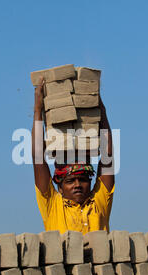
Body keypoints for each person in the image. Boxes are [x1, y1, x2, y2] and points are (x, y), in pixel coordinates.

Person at [32, 79, 115, 234]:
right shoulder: (52, 206)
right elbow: (38, 157)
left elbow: (108, 154)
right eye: (70, 181)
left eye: (83, 179)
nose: (77, 185)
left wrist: (99, 110)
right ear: (60, 187)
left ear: (90, 182)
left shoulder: (99, 201)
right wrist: (38, 110)